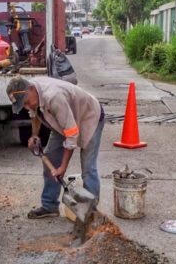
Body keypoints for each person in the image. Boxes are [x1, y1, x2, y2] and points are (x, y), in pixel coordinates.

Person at [6, 77, 105, 219]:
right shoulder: (33, 93)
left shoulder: (53, 97)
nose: (27, 107)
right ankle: (49, 206)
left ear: (31, 89)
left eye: (26, 103)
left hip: (88, 116)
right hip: (62, 122)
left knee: (89, 169)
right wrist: (34, 135)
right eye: (23, 105)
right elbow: (34, 113)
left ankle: (92, 215)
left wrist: (63, 167)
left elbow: (71, 136)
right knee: (50, 160)